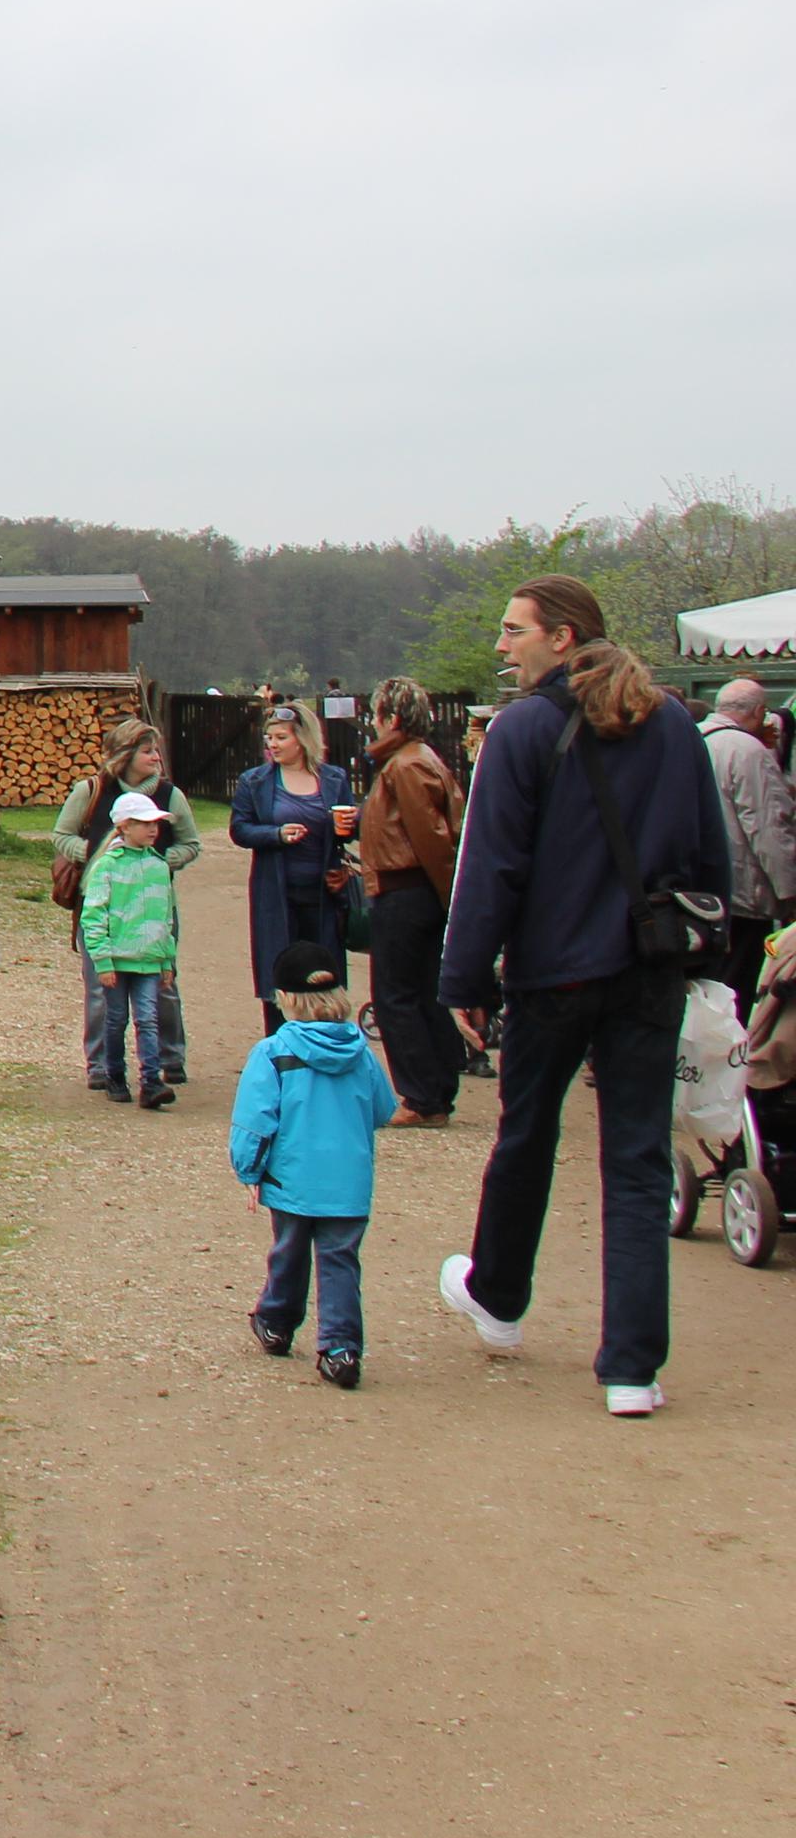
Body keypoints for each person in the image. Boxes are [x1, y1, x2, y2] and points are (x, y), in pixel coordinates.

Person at [438, 578, 732, 1415]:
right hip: (650, 969)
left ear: (562, 638)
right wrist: (713, 964)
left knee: (525, 1137)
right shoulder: (675, 722)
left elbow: (491, 865)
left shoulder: (523, 729)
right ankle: (632, 1369)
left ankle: (498, 1297)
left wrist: (464, 979)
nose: (503, 646)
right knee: (637, 1163)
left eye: (513, 630)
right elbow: (711, 853)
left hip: (554, 972)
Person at [230, 941, 397, 1390]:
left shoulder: (273, 1053)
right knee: (340, 1261)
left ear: (283, 999)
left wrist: (249, 1170)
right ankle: (341, 1349)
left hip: (291, 1177)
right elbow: (384, 1108)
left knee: (288, 1251)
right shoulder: (360, 1053)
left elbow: (254, 1122)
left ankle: (277, 1320)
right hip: (348, 1183)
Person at [56, 719, 206, 1094]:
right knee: (98, 987)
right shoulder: (90, 790)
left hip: (154, 907)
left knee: (162, 985)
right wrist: (93, 856)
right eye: (147, 750)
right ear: (125, 755)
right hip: (102, 903)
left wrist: (157, 863)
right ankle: (101, 1065)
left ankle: (170, 1059)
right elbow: (61, 835)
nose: (156, 757)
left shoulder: (171, 797)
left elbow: (190, 844)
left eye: (156, 750)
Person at [357, 678, 468, 1124]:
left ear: (392, 719)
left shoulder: (406, 766)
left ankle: (422, 1096)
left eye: (376, 715)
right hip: (413, 890)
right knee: (422, 991)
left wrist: (448, 899)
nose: (372, 724)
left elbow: (434, 839)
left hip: (406, 891)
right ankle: (436, 1089)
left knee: (396, 996)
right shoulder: (415, 761)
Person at [228, 704, 357, 1036]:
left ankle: (328, 1043)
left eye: (281, 737)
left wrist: (351, 824)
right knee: (279, 972)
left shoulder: (334, 778)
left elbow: (350, 829)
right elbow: (240, 830)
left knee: (324, 973)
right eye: (269, 737)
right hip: (276, 894)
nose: (273, 744)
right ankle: (282, 1047)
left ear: (303, 738)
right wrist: (275, 834)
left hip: (324, 893)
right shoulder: (254, 781)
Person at [80, 790, 183, 1108]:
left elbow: (166, 916)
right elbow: (94, 915)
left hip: (150, 960)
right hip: (118, 959)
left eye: (155, 824)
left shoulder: (158, 865)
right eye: (143, 824)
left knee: (148, 1019)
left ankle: (150, 1081)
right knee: (116, 1019)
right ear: (124, 826)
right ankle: (114, 1075)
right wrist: (103, 959)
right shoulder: (106, 866)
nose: (153, 830)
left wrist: (167, 959)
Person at [700, 675, 796, 976]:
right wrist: (790, 891)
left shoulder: (692, 737)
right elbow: (769, 829)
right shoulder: (747, 750)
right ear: (758, 712)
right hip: (744, 894)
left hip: (700, 892)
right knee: (739, 983)